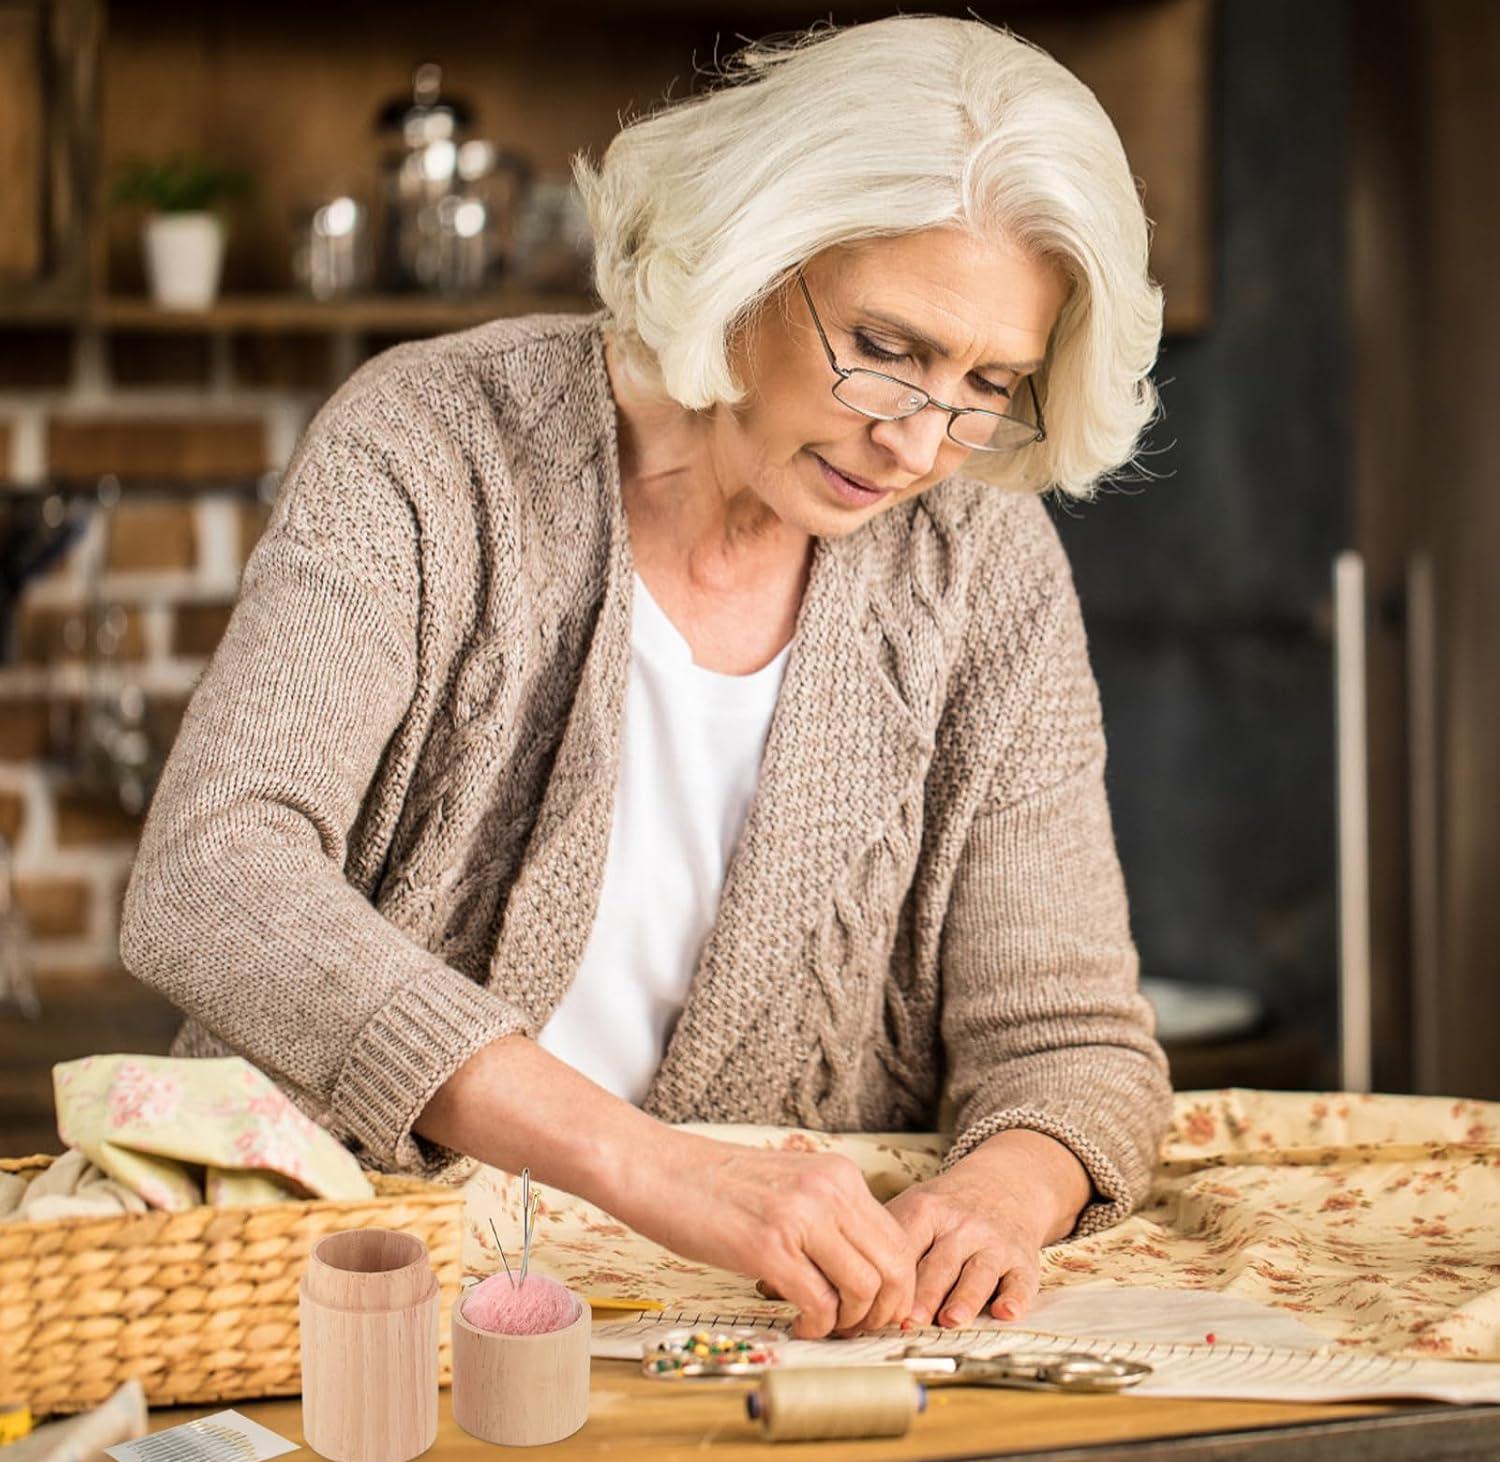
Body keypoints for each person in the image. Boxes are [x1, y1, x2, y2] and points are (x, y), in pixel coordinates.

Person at [120, 14, 1171, 1341]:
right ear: (749, 256)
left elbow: (1072, 1042)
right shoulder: (435, 443)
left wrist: (1005, 1194)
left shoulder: (983, 567)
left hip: (756, 1334)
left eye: (987, 384)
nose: (916, 440)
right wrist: (653, 1166)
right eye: (886, 348)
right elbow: (213, 878)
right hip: (355, 1288)